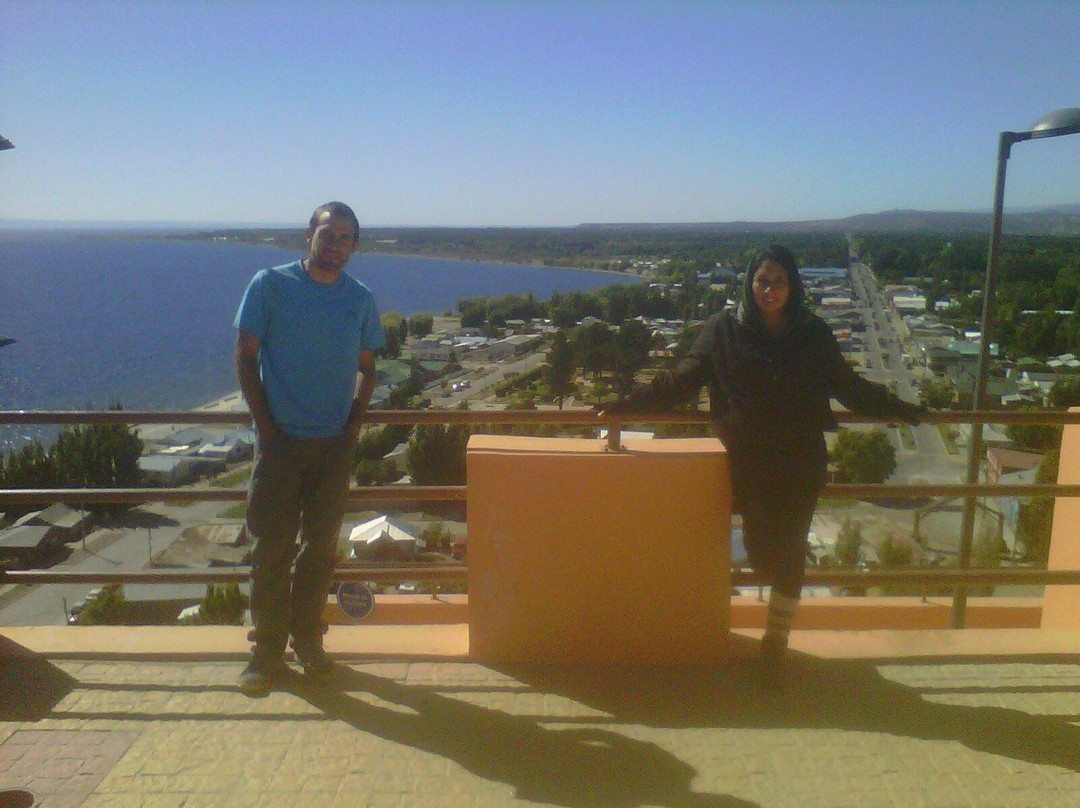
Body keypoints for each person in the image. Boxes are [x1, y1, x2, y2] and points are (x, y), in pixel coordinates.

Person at [600, 245, 923, 678]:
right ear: (750, 284)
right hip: (747, 467)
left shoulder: (813, 333)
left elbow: (849, 387)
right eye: (763, 282)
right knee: (759, 553)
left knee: (790, 556)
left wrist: (902, 409)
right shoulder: (722, 331)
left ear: (793, 286)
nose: (770, 291)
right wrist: (626, 406)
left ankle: (775, 645)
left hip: (800, 463)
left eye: (780, 282)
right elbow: (681, 381)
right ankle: (753, 632)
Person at [233, 201, 385, 695]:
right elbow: (245, 357)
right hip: (280, 446)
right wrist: (267, 428)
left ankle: (308, 642)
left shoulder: (358, 298)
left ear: (354, 247)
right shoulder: (269, 284)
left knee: (319, 551)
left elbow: (368, 367)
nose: (335, 244)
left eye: (346, 238)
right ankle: (266, 652)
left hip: (332, 448)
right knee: (270, 551)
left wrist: (354, 425)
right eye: (328, 234)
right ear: (309, 235)